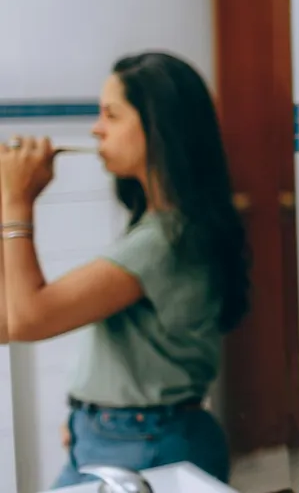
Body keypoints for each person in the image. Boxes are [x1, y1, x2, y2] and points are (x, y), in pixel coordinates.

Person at [0, 52, 251, 487]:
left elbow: (25, 320)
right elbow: (9, 321)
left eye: (111, 115)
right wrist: (89, 416)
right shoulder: (166, 229)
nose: (97, 129)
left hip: (142, 442)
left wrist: (17, 202)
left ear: (158, 127)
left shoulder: (165, 243)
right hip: (118, 436)